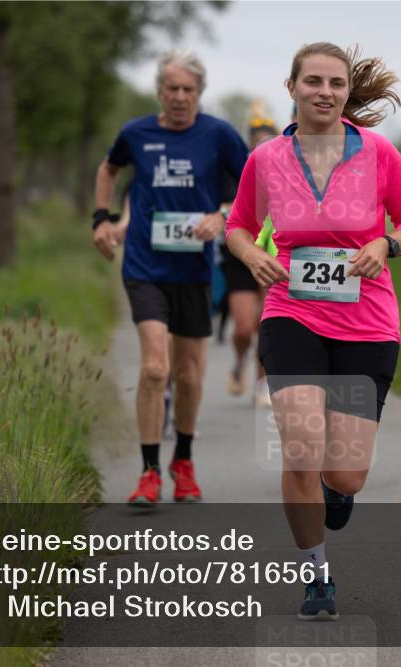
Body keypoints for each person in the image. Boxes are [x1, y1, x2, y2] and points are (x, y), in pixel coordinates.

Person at [226, 42, 401, 620]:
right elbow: (239, 226)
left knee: (344, 471)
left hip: (367, 322)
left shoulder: (380, 154)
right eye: (312, 81)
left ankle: (336, 489)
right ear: (291, 89)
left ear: (346, 92)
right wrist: (251, 257)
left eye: (335, 83)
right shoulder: (265, 160)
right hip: (292, 312)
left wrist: (385, 243)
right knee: (301, 449)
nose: (325, 91)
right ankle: (317, 574)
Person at [93, 49, 249, 508]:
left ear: (199, 93)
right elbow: (109, 169)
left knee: (188, 373)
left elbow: (252, 188)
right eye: (172, 89)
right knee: (155, 367)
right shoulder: (136, 133)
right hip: (144, 264)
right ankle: (147, 472)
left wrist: (221, 216)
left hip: (195, 269)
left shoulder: (219, 134)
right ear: (159, 91)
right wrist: (100, 219)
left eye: (189, 90)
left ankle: (183, 462)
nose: (180, 97)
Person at [222, 104, 279, 407]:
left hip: (273, 252)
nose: (263, 143)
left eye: (268, 137)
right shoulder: (237, 168)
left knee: (265, 322)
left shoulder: (286, 168)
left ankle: (261, 382)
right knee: (244, 326)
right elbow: (221, 203)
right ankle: (239, 359)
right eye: (258, 137)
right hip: (241, 254)